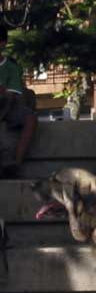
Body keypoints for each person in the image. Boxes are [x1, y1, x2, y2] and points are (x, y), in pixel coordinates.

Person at [0, 24, 37, 178]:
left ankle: (15, 164)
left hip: (6, 105)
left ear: (2, 43)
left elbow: (14, 95)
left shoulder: (11, 66)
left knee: (30, 117)